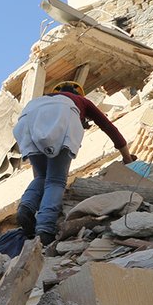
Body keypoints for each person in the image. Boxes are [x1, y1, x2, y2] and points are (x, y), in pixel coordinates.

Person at [15, 80, 136, 245]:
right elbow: (109, 128)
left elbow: (40, 173)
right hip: (64, 116)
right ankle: (45, 228)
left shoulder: (41, 101)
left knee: (41, 178)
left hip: (26, 120)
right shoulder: (81, 101)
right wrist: (127, 158)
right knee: (56, 181)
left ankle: (26, 207)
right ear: (79, 93)